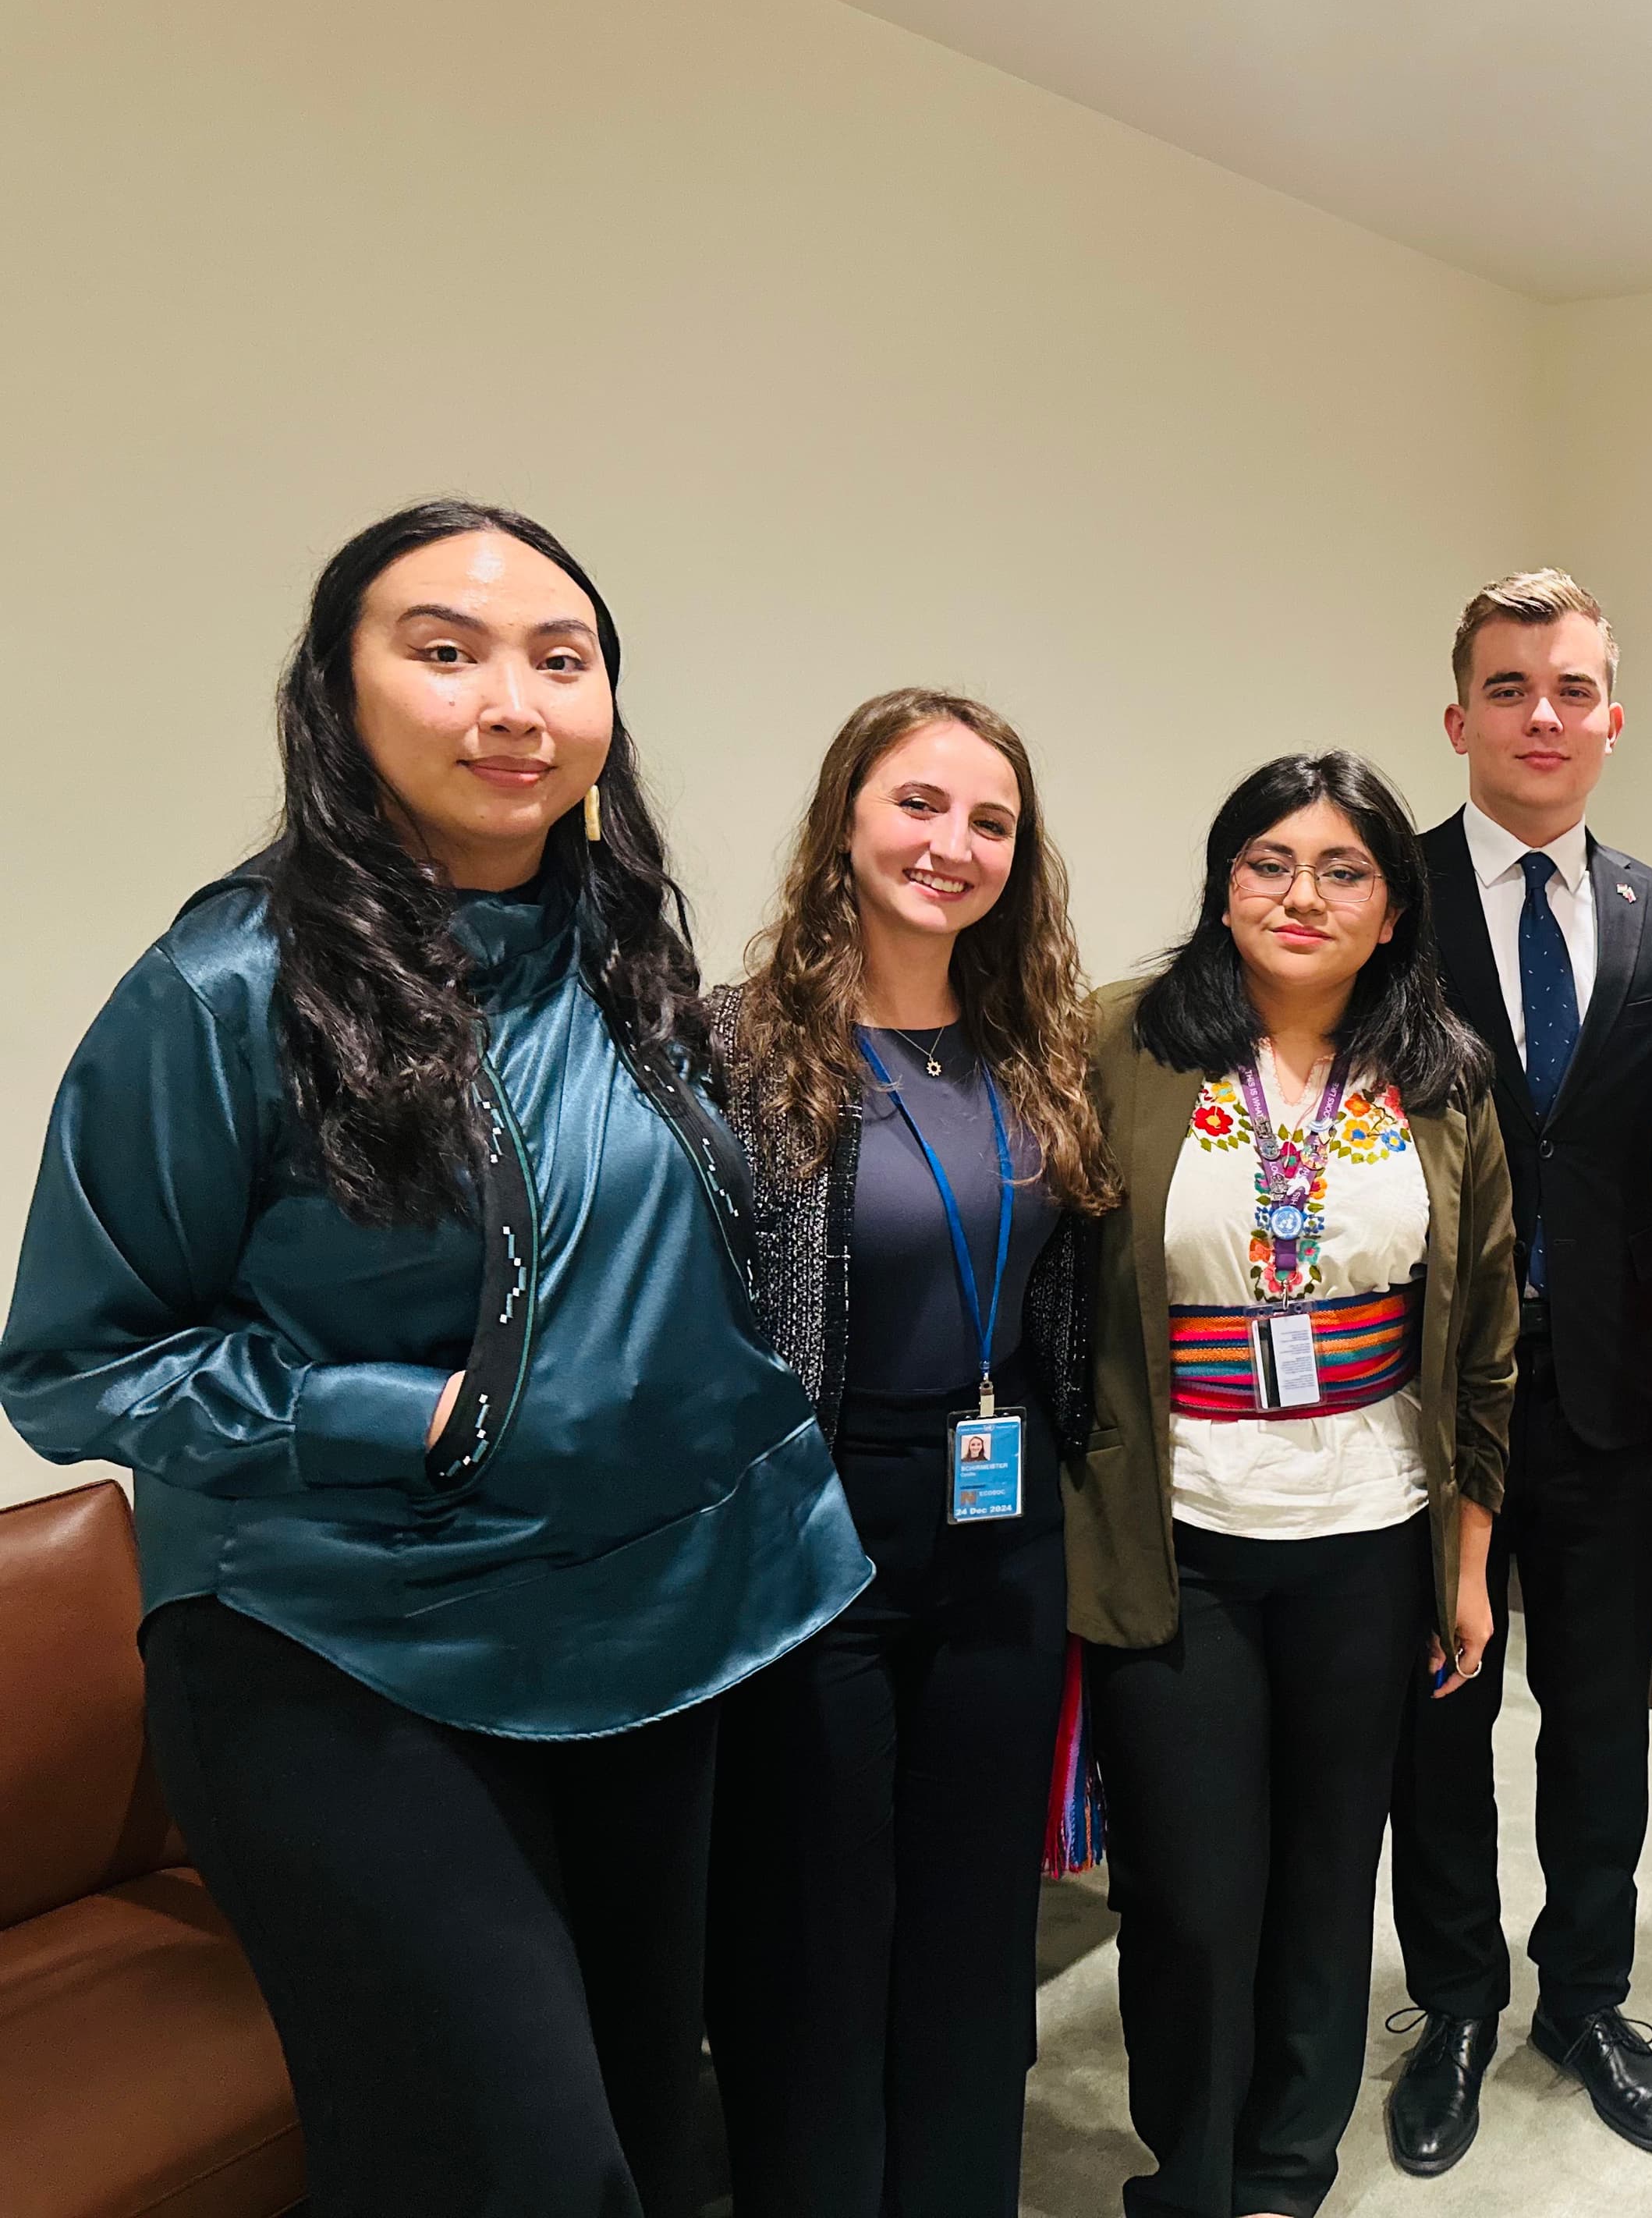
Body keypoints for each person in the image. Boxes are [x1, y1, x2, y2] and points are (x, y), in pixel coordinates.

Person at [0, 498, 869, 2218]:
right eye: (446, 650)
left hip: (647, 1629)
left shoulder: (626, 950)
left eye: (563, 659)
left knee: (648, 2122)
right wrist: (403, 1420)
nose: (514, 702)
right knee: (513, 2172)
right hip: (344, 1654)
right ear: (338, 694)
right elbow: (77, 1361)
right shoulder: (223, 987)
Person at [1076, 750, 1514, 2218]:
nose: (1302, 895)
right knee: (1196, 1894)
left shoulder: (1441, 1078)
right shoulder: (1120, 1048)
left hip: (1371, 1531)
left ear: (1393, 908)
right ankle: (1187, 2174)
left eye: (1344, 870)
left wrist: (1465, 1562)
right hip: (1179, 1531)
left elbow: (1491, 1336)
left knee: (1333, 1873)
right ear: (1222, 883)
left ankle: (1286, 2166)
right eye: (1268, 862)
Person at [704, 689, 1115, 2216]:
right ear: (846, 820)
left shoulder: (1034, 1048)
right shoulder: (738, 1050)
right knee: (818, 1924)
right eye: (918, 806)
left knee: (968, 1923)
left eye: (990, 821)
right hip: (822, 1527)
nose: (952, 845)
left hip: (1001, 1526)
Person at [1384, 571, 1652, 2174]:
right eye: (1512, 686)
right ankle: (1455, 1999)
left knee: (1604, 1721)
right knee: (1437, 1722)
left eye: (1574, 687)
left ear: (1612, 717)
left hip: (1608, 1397)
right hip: (1411, 1398)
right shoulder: (1381, 897)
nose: (1545, 715)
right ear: (1460, 717)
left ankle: (1584, 1996)